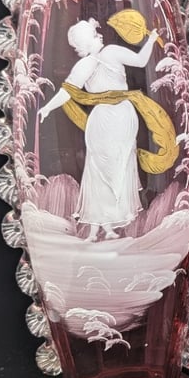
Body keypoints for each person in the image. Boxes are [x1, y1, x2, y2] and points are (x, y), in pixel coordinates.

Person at [38, 18, 159, 241]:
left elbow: (141, 61)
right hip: (106, 120)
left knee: (118, 168)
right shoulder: (88, 63)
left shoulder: (107, 54)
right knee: (100, 171)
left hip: (120, 117)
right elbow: (67, 92)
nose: (100, 35)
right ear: (85, 43)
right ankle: (97, 229)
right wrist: (47, 108)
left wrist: (151, 39)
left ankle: (109, 227)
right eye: (95, 35)